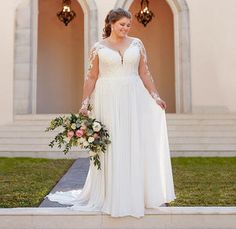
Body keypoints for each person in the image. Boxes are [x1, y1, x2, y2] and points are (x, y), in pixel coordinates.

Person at [46, 8, 176, 218]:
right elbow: (91, 77)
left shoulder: (137, 44)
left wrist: (155, 96)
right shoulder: (98, 47)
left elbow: (144, 72)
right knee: (112, 144)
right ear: (111, 24)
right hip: (107, 99)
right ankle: (110, 195)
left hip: (134, 98)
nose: (126, 28)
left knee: (132, 142)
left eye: (128, 25)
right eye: (122, 24)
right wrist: (85, 102)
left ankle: (134, 194)